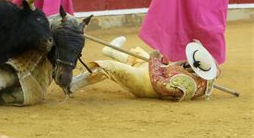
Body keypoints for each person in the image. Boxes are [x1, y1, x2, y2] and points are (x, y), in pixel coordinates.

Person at [70, 37, 218, 101]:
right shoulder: (207, 77)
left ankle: (72, 85)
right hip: (155, 71)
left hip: (146, 86)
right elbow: (215, 68)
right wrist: (202, 49)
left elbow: (159, 84)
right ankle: (110, 50)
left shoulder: (185, 83)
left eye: (189, 61)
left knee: (109, 68)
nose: (186, 61)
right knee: (139, 54)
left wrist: (155, 60)